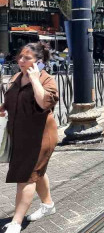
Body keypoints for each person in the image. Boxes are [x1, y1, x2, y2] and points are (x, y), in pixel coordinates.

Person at [0, 43, 59, 233]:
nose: (21, 61)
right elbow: (12, 99)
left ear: (38, 62)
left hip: (41, 136)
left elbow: (43, 103)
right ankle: (48, 205)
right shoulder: (17, 77)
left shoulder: (46, 79)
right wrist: (4, 107)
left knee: (26, 177)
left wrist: (35, 80)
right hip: (20, 135)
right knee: (36, 172)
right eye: (20, 57)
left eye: (27, 58)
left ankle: (16, 222)